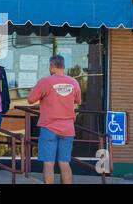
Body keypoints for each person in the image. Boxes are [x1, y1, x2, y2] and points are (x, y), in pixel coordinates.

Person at [27, 55, 81, 184]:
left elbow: (30, 99)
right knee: (64, 163)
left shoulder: (45, 81)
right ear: (63, 66)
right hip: (68, 128)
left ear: (52, 66)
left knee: (48, 164)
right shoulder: (74, 82)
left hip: (49, 127)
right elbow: (78, 100)